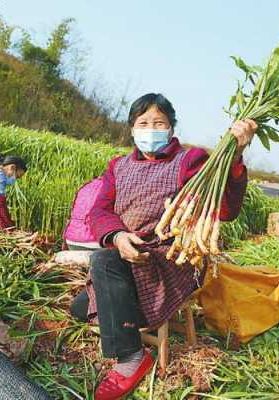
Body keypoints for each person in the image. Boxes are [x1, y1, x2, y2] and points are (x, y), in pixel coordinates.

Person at [69, 93, 257, 400]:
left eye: (159, 122)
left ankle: (131, 358)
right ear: (131, 129)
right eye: (143, 122)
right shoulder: (118, 166)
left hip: (170, 256)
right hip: (126, 251)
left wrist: (235, 157)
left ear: (171, 128)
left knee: (102, 262)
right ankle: (131, 311)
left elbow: (225, 210)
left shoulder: (190, 160)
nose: (150, 128)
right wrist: (117, 235)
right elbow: (99, 212)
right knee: (80, 309)